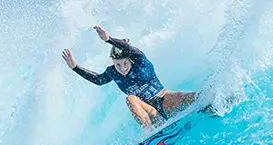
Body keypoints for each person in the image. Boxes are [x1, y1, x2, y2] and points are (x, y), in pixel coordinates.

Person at [63, 25, 199, 129]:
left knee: (177, 96)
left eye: (125, 63)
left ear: (130, 60)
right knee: (130, 99)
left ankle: (206, 99)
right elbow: (98, 80)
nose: (122, 68)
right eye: (118, 64)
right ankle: (150, 133)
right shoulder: (112, 72)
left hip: (165, 101)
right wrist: (75, 67)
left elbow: (130, 49)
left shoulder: (140, 61)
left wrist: (108, 39)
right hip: (150, 112)